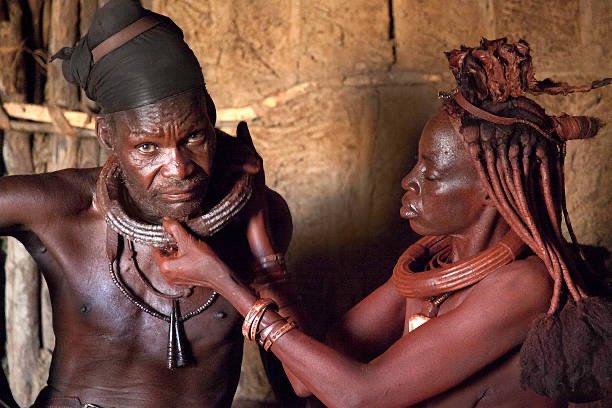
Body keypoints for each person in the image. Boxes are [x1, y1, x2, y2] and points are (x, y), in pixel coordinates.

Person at [154, 38, 611, 407]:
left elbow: (358, 395)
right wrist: (259, 243)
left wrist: (224, 281)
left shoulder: (523, 286)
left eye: (430, 172)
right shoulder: (436, 266)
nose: (407, 180)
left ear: (490, 190)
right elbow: (311, 379)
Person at [0, 0, 295, 406]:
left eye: (193, 137)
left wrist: (257, 225)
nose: (178, 168)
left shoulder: (257, 216)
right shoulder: (60, 209)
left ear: (210, 119)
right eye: (147, 147)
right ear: (108, 137)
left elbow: (299, 385)